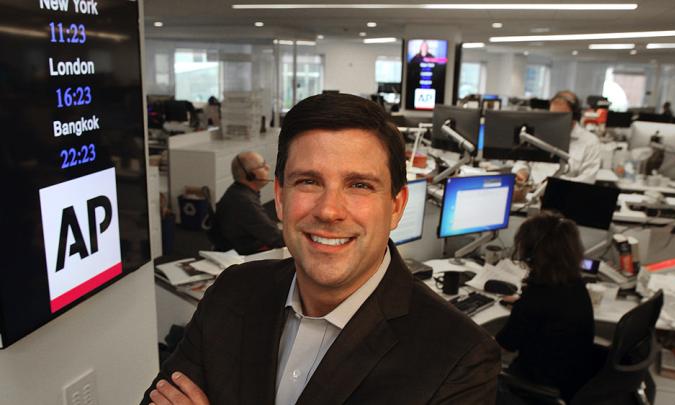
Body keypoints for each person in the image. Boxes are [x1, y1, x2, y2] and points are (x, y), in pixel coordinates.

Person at [141, 93, 500, 404]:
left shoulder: (460, 359)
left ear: (395, 206)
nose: (329, 211)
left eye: (359, 184)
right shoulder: (233, 290)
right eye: (309, 181)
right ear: (280, 198)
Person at [495, 211, 595, 403]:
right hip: (570, 378)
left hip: (536, 387)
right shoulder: (574, 282)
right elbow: (550, 310)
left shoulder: (536, 298)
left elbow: (502, 346)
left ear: (532, 254)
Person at [513, 90, 602, 187]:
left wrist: (553, 184)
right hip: (530, 194)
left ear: (575, 116)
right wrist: (522, 172)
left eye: (561, 116)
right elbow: (522, 162)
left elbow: (587, 181)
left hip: (563, 197)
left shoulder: (590, 142)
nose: (555, 121)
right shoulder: (539, 134)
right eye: (552, 115)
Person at [207, 151, 284, 255]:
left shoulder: (237, 191)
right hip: (246, 254)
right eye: (262, 165)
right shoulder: (245, 202)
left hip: (236, 244)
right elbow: (277, 239)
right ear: (250, 175)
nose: (268, 167)